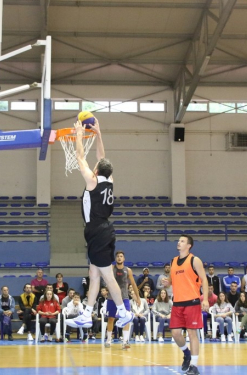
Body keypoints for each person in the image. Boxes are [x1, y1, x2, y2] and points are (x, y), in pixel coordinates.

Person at [72, 117, 134, 329]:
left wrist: (79, 135)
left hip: (98, 231)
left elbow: (80, 157)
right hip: (103, 229)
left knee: (107, 275)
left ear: (96, 171)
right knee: (94, 273)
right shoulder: (109, 180)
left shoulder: (92, 181)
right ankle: (87, 314)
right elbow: (102, 157)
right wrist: (98, 134)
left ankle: (124, 312)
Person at [162, 235, 209, 375]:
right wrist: (167, 283)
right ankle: (186, 353)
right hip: (177, 302)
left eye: (182, 241)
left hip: (192, 302)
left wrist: (205, 299)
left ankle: (194, 366)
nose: (179, 242)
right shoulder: (173, 261)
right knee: (175, 333)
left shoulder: (195, 260)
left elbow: (204, 280)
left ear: (189, 246)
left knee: (191, 333)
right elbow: (171, 280)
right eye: (178, 240)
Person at [98, 251, 140, 349]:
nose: (119, 258)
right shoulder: (112, 268)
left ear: (124, 259)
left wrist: (138, 298)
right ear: (115, 258)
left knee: (126, 318)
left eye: (121, 256)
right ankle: (108, 340)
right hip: (112, 297)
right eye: (117, 256)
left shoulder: (128, 270)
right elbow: (104, 279)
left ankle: (125, 341)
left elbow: (133, 284)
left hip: (124, 297)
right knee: (111, 318)